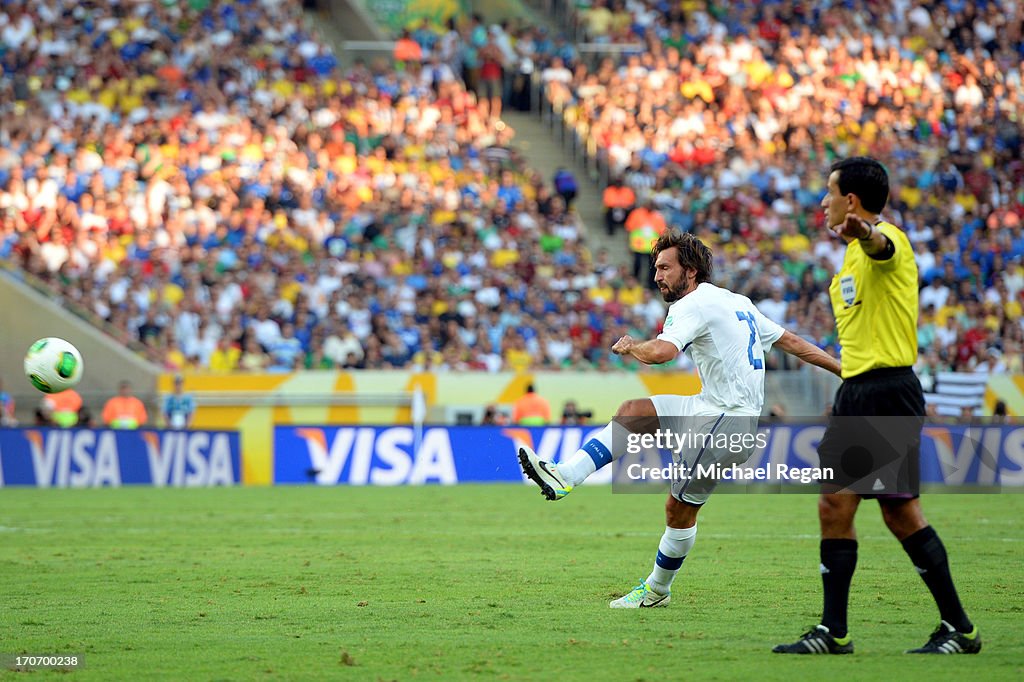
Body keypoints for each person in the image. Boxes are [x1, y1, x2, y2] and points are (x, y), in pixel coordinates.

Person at [519, 230, 842, 608]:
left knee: (680, 508)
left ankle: (655, 590)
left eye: (664, 267)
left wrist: (633, 346)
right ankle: (566, 477)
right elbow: (793, 342)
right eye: (655, 268)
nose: (656, 276)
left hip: (724, 420)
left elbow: (663, 352)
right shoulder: (737, 302)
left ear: (689, 271)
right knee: (635, 413)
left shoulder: (692, 305)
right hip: (715, 411)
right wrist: (843, 369)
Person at [774, 157, 979, 655]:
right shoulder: (848, 259)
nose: (822, 201)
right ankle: (947, 628)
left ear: (852, 200)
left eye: (830, 192)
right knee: (886, 512)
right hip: (863, 390)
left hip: (884, 391)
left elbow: (881, 246)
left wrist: (865, 230)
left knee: (853, 506)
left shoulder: (886, 241)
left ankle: (839, 631)